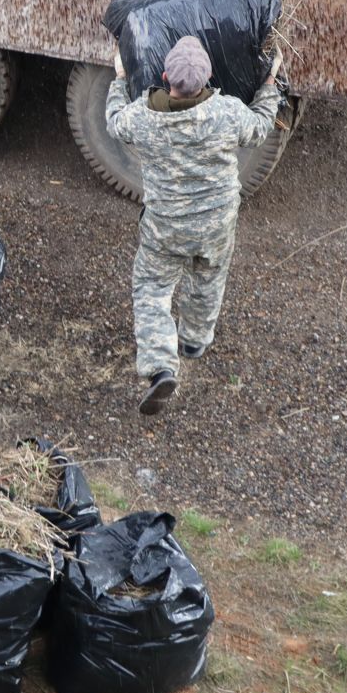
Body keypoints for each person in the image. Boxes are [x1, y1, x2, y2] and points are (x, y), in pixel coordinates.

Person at [106, 34, 283, 415]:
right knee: (208, 276)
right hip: (217, 222)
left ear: (165, 74)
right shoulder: (227, 113)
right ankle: (194, 342)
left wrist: (119, 78)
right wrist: (269, 86)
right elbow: (260, 128)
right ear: (208, 78)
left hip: (166, 227)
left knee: (152, 288)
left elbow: (114, 123)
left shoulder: (143, 118)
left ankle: (161, 366)